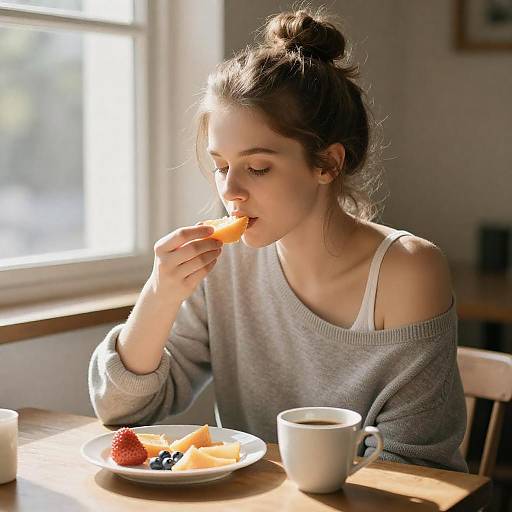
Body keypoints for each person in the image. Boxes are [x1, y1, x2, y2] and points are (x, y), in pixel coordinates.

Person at [89, 7, 468, 472]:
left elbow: (415, 470)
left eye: (258, 167)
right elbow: (122, 413)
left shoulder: (408, 271)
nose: (229, 192)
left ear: (327, 164)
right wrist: (160, 294)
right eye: (221, 166)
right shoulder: (224, 263)